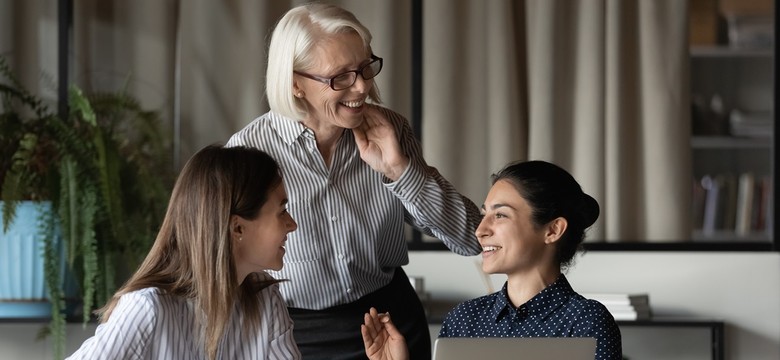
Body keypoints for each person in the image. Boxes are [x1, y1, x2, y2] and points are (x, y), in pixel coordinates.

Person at [226, 3, 482, 359]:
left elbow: (472, 238)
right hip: (294, 335)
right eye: (341, 77)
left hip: (392, 327)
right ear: (295, 84)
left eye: (365, 68)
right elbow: (220, 264)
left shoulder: (391, 131)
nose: (362, 87)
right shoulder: (246, 152)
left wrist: (399, 171)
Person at [362, 160, 624, 360]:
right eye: (485, 214)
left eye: (500, 216)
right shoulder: (464, 319)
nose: (480, 230)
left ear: (552, 230)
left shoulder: (587, 321)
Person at [66, 145, 301, 359]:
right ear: (237, 227)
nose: (293, 224)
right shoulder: (147, 309)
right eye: (282, 211)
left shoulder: (265, 299)